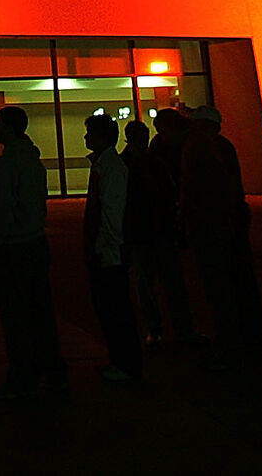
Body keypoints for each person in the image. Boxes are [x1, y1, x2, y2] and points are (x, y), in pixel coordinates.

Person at [0, 105, 64, 398]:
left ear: (9, 127)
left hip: (14, 246)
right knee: (40, 311)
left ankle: (22, 376)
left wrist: (0, 235)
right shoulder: (32, 160)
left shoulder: (8, 164)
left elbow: (6, 206)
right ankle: (52, 370)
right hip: (34, 242)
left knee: (16, 314)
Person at [180, 106, 260, 368]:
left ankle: (229, 345)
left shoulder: (203, 149)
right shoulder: (222, 147)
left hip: (212, 224)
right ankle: (242, 342)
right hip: (224, 222)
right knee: (231, 282)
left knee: (219, 285)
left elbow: (201, 188)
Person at [124, 114, 197, 346]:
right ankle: (174, 329)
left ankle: (160, 329)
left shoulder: (139, 162)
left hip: (149, 230)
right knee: (163, 283)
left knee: (152, 284)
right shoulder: (152, 160)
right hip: (151, 230)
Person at [83, 113, 142, 381]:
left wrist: (105, 245)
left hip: (109, 250)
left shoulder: (111, 168)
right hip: (108, 248)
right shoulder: (107, 166)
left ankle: (125, 363)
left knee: (114, 307)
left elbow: (111, 213)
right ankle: (122, 361)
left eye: (89, 133)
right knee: (112, 306)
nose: (85, 137)